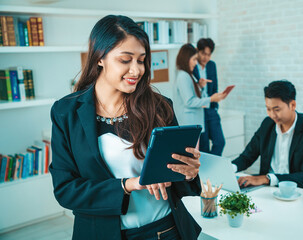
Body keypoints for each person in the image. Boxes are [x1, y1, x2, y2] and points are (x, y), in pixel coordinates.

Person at [50, 15, 203, 240]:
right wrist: (127, 185)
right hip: (101, 234)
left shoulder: (159, 107)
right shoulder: (66, 112)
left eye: (141, 60)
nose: (136, 70)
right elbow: (66, 190)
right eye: (125, 60)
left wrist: (189, 173)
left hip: (166, 230)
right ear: (99, 57)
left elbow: (178, 184)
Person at [232, 80, 303, 193]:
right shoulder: (267, 124)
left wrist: (266, 179)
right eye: (268, 109)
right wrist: (230, 168)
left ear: (292, 105)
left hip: (299, 191)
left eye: (277, 109)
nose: (272, 115)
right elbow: (247, 156)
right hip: (268, 190)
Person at [173, 43, 226, 144]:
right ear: (186, 59)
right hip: (189, 123)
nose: (195, 63)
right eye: (193, 60)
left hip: (193, 123)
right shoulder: (183, 76)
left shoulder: (188, 75)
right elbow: (189, 101)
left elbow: (191, 94)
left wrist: (200, 86)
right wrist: (211, 99)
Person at [193, 38, 226, 156]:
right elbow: (191, 90)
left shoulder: (212, 65)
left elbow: (214, 87)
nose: (205, 57)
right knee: (204, 147)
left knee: (220, 142)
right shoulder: (192, 66)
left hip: (211, 109)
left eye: (208, 54)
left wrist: (216, 102)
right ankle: (206, 171)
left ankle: (213, 166)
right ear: (197, 51)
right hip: (199, 110)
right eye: (203, 54)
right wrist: (200, 86)